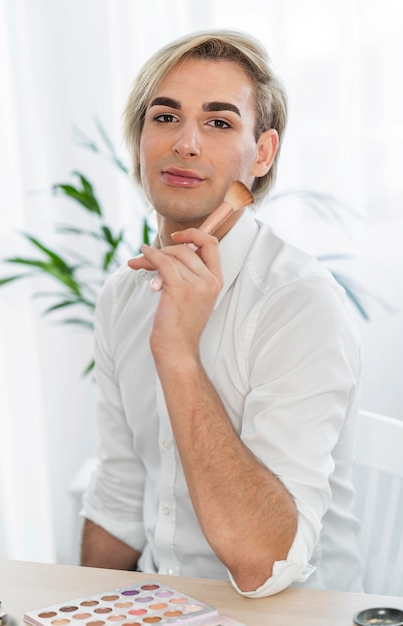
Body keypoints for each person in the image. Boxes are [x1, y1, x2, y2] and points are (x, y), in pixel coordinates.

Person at [80, 29, 363, 598]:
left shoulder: (297, 301)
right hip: (163, 609)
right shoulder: (122, 295)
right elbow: (119, 496)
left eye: (218, 122)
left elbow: (264, 564)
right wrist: (76, 608)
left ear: (261, 154)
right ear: (138, 142)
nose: (185, 143)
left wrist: (178, 353)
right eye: (164, 117)